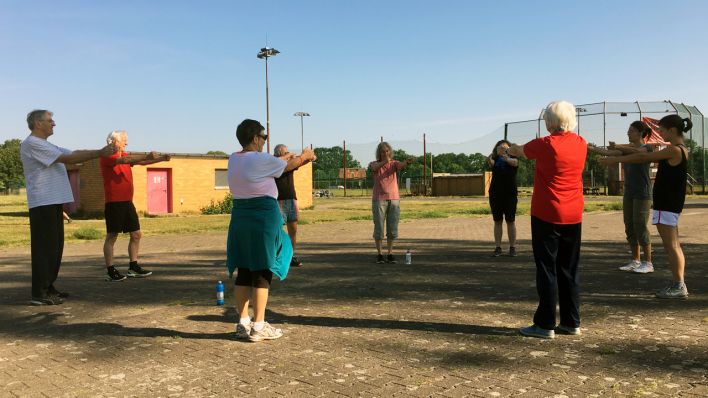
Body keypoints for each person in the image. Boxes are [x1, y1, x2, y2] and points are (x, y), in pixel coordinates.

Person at [227, 119, 316, 341]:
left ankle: (243, 322)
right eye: (264, 137)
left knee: (244, 270)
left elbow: (273, 163)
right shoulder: (261, 159)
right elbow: (287, 167)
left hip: (240, 217)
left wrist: (285, 157)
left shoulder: (234, 159)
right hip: (263, 217)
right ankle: (259, 326)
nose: (265, 141)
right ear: (255, 138)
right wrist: (305, 156)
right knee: (263, 268)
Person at [20, 109, 116, 305]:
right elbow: (69, 159)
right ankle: (39, 292)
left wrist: (99, 151)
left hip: (53, 201)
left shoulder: (47, 144)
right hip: (43, 202)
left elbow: (74, 154)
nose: (53, 123)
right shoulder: (32, 143)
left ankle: (49, 286)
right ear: (38, 123)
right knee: (44, 248)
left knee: (55, 247)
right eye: (49, 120)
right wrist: (100, 153)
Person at [508, 101, 587, 339]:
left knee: (547, 269)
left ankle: (545, 324)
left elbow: (519, 151)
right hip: (573, 213)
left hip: (547, 213)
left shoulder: (545, 144)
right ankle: (571, 321)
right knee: (568, 269)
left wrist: (509, 148)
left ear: (550, 123)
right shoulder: (581, 143)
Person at [600, 115, 691, 299]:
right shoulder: (677, 149)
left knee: (672, 246)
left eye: (662, 130)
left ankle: (679, 285)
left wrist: (615, 161)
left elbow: (642, 156)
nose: (660, 133)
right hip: (668, 205)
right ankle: (678, 283)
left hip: (667, 205)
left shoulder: (674, 150)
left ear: (672, 130)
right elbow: (639, 153)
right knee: (673, 245)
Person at [100, 130, 171, 282]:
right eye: (124, 140)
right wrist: (147, 155)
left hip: (127, 202)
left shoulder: (124, 155)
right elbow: (126, 161)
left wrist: (161, 159)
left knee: (136, 234)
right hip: (114, 203)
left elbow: (141, 162)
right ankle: (110, 270)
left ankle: (133, 266)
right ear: (114, 141)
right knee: (112, 236)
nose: (126, 143)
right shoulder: (108, 156)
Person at [589, 121, 654, 273]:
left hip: (642, 192)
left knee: (640, 225)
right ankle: (635, 260)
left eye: (631, 130)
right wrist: (587, 147)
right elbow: (607, 153)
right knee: (629, 225)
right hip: (629, 192)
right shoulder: (627, 149)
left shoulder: (647, 148)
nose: (628, 133)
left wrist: (618, 147)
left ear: (639, 133)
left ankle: (648, 262)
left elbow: (640, 154)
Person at [369, 142, 414, 264]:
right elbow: (374, 169)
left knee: (392, 227)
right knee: (379, 227)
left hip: (394, 199)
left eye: (387, 151)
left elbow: (401, 165)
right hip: (379, 199)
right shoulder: (374, 164)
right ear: (379, 153)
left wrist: (407, 162)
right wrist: (385, 161)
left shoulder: (394, 164)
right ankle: (379, 254)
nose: (386, 153)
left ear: (390, 151)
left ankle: (390, 253)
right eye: (383, 151)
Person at [273, 144, 312, 268]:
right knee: (277, 231)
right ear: (279, 154)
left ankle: (290, 256)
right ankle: (277, 257)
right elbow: (294, 162)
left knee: (293, 230)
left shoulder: (291, 164)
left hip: (291, 199)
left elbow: (303, 161)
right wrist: (302, 156)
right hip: (278, 201)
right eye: (286, 153)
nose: (289, 154)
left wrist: (309, 156)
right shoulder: (274, 164)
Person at [487, 139, 519, 257]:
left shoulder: (514, 159)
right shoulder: (495, 160)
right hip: (495, 194)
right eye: (500, 148)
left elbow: (514, 163)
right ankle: (498, 247)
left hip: (510, 194)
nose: (502, 149)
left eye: (505, 148)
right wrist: (492, 155)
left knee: (510, 220)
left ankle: (512, 247)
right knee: (497, 221)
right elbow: (490, 162)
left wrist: (506, 156)